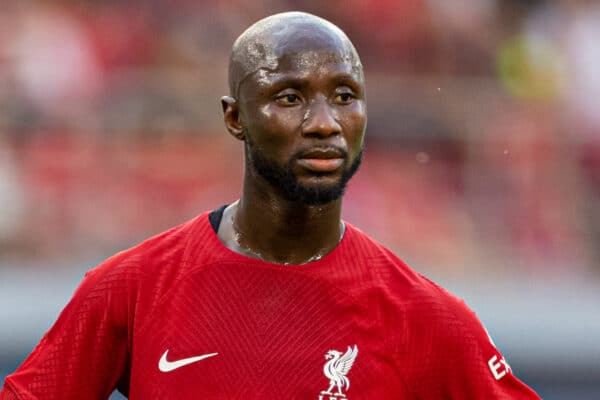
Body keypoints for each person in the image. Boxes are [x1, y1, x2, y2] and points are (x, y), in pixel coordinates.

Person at [0, 12, 541, 399]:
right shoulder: (134, 288)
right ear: (235, 117)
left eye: (346, 95)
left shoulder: (426, 319)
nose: (325, 122)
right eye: (290, 97)